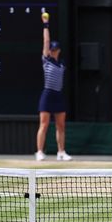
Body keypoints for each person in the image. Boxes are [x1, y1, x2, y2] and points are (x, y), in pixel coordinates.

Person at [36, 13, 72, 162]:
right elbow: (46, 40)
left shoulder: (62, 64)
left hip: (58, 94)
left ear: (58, 50)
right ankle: (39, 152)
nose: (53, 50)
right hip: (47, 94)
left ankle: (61, 152)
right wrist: (46, 24)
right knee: (43, 124)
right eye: (51, 49)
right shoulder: (46, 61)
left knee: (61, 125)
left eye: (55, 49)